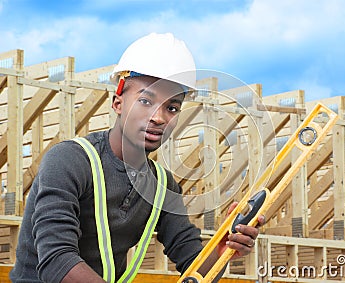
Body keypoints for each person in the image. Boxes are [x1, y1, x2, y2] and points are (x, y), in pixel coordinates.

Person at [10, 33, 265, 282]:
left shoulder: (163, 186)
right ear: (118, 103)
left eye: (172, 107)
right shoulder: (69, 161)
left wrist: (221, 250)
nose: (159, 117)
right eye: (145, 100)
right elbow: (57, 260)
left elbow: (194, 267)